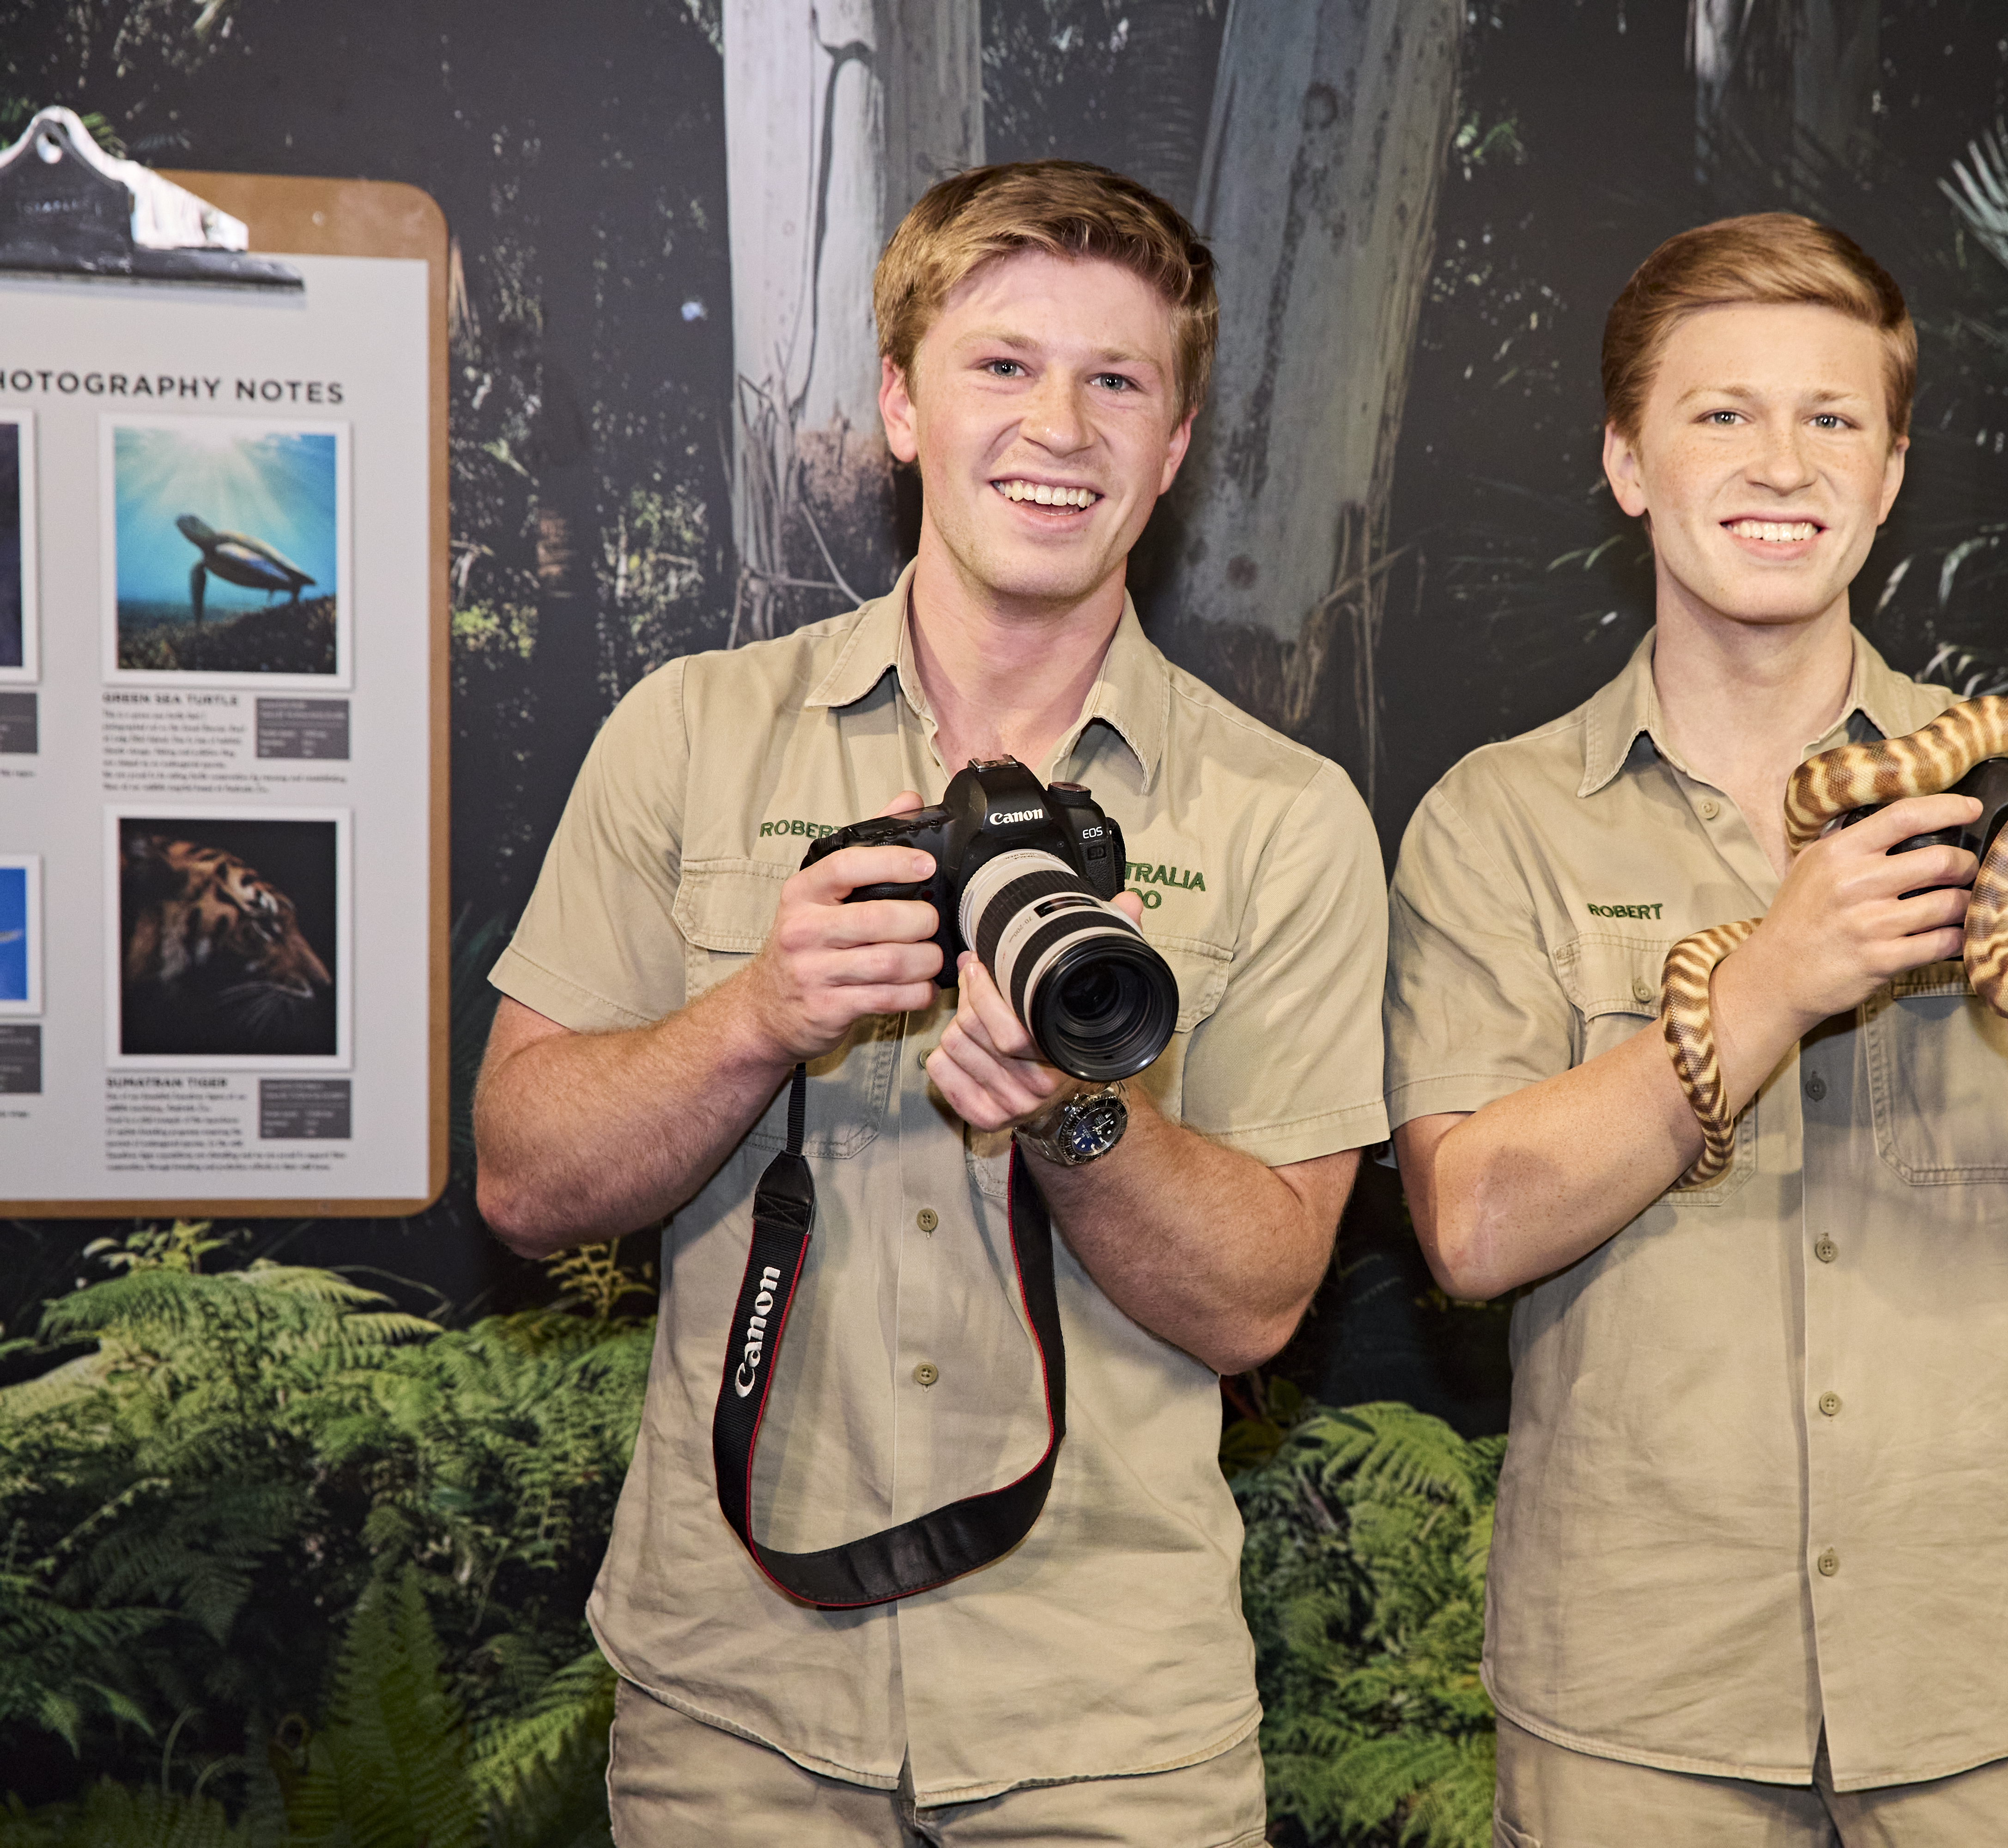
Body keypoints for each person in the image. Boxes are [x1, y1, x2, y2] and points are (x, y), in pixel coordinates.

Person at [474, 161, 1388, 1845]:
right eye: (1001, 365)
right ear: (899, 403)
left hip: (1111, 1736)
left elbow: (1261, 1299)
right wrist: (759, 1013)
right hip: (732, 1719)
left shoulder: (1284, 813)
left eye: (1119, 380)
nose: (1062, 425)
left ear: (1175, 447)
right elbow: (526, 1183)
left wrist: (1076, 1116)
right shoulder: (693, 733)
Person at [1384, 213, 2008, 1846]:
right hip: (1641, 1734)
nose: (1783, 463)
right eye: (1723, 414)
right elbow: (1471, 1229)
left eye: (1833, 418)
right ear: (1629, 463)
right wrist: (1771, 977)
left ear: (1893, 471)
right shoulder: (1497, 823)